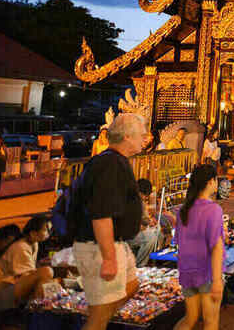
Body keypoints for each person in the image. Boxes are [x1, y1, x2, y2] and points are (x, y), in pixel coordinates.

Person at [73, 113, 145, 330]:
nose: (145, 139)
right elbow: (101, 213)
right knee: (99, 317)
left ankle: (97, 315)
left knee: (131, 285)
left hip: (115, 243)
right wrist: (109, 258)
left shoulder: (115, 161)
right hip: (100, 246)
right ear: (126, 137)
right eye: (141, 135)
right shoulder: (110, 164)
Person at [174, 164, 223, 330]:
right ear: (210, 182)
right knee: (210, 321)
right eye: (216, 180)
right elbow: (216, 247)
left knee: (191, 319)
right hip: (206, 272)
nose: (217, 184)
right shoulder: (213, 209)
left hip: (187, 271)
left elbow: (179, 241)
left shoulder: (183, 210)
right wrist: (217, 280)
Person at [0, 215, 53, 312]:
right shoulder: (21, 246)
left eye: (50, 229)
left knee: (44, 279)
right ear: (33, 233)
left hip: (6, 290)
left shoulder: (34, 244)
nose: (49, 233)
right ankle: (35, 313)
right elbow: (26, 276)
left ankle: (38, 315)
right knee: (46, 272)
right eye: (46, 229)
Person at [127, 179, 161, 267]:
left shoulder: (141, 203)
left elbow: (144, 218)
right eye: (144, 195)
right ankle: (139, 265)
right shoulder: (127, 201)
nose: (145, 198)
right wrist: (142, 226)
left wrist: (150, 221)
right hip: (128, 236)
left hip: (137, 231)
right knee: (150, 237)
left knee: (157, 229)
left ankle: (154, 260)